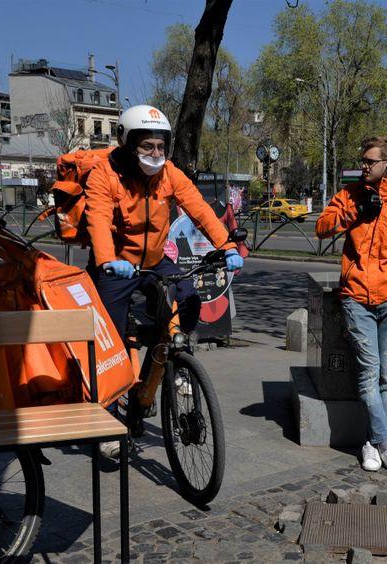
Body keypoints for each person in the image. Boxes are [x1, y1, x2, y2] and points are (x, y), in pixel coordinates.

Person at [85, 105, 244, 456]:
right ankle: (108, 423)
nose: (156, 154)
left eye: (161, 146)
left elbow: (200, 209)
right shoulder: (104, 175)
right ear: (127, 144)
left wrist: (227, 245)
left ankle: (174, 362)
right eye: (147, 147)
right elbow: (97, 218)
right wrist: (108, 261)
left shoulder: (169, 173)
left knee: (189, 299)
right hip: (117, 266)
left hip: (156, 261)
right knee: (109, 344)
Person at [315, 137, 387, 475]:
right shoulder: (349, 195)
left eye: (370, 161)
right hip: (357, 299)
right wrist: (354, 212)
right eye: (362, 160)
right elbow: (321, 229)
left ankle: (370, 441)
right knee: (368, 373)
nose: (363, 166)